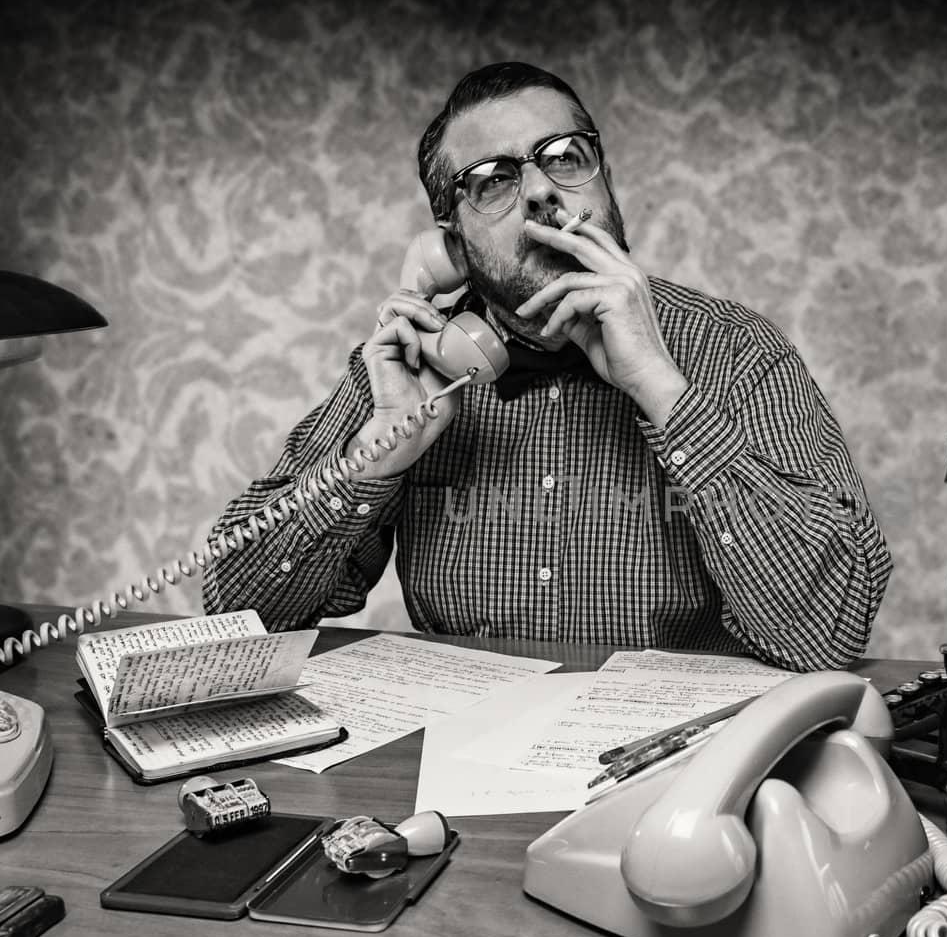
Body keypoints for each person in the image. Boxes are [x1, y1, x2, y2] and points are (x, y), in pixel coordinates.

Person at [202, 62, 891, 672]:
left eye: (564, 157)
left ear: (606, 185)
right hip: (465, 774)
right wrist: (374, 456)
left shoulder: (738, 350)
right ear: (455, 245)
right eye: (493, 180)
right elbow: (237, 612)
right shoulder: (410, 365)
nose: (539, 191)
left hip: (678, 779)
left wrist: (662, 388)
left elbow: (827, 634)